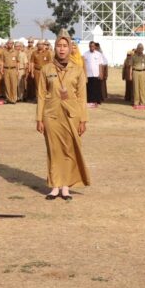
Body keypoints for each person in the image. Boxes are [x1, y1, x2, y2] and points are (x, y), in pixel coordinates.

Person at [36, 34, 90, 200]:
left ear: (70, 48)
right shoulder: (47, 69)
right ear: (55, 47)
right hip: (51, 115)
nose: (62, 48)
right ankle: (55, 185)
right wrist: (39, 118)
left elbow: (82, 96)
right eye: (59, 45)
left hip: (72, 114)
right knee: (54, 150)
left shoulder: (78, 69)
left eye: (65, 46)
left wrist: (83, 119)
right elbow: (40, 94)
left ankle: (65, 186)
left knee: (69, 149)